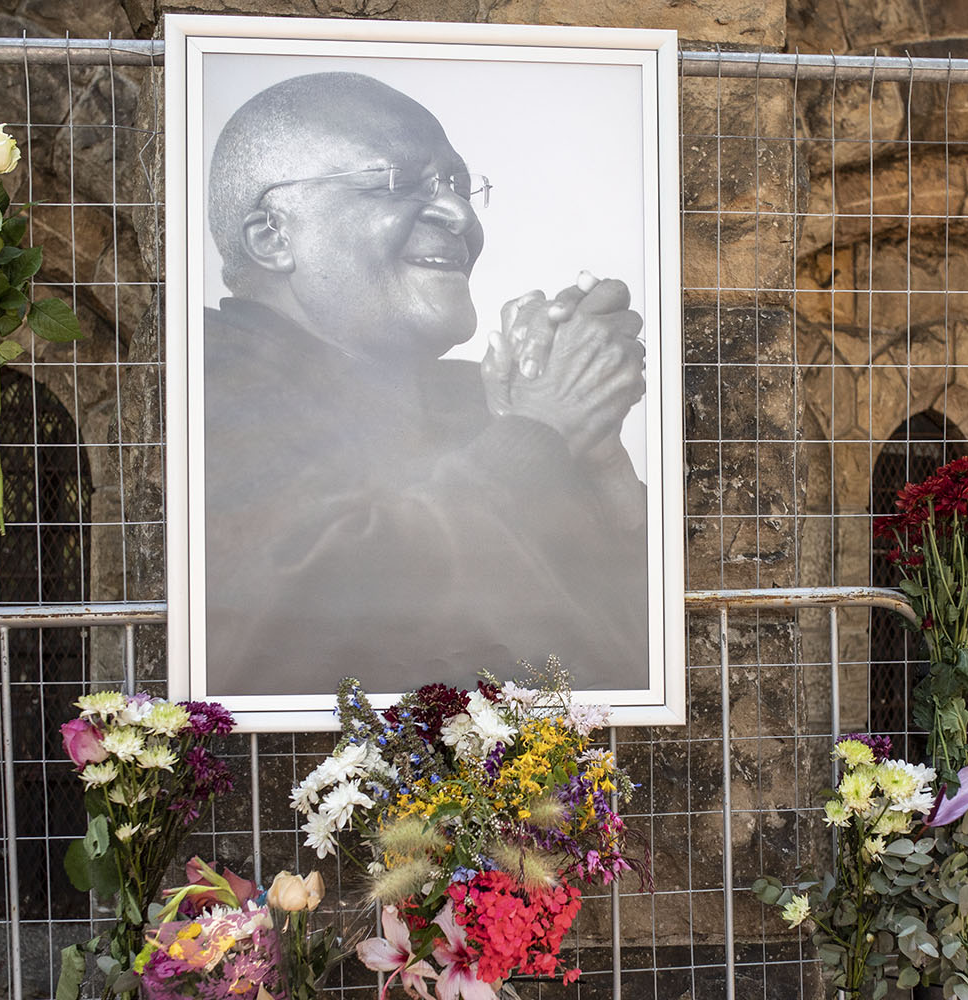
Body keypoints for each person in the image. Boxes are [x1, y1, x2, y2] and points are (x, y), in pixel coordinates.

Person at [200, 71, 650, 696]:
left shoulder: (474, 399)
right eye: (397, 183)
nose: (460, 214)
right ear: (273, 236)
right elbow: (302, 613)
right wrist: (539, 433)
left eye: (461, 186)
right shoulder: (210, 376)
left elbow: (627, 653)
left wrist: (596, 452)